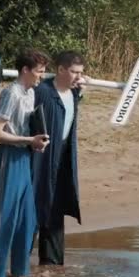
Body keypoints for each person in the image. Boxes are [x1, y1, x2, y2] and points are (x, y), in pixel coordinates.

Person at [0, 49, 50, 277]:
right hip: (8, 159)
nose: (41, 77)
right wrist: (27, 140)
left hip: (24, 158)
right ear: (25, 70)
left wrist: (36, 142)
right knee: (6, 219)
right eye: (39, 72)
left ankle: (20, 273)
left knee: (27, 220)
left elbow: (24, 128)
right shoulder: (10, 93)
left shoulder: (31, 93)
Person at [32, 51, 86, 265]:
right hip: (41, 157)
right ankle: (20, 265)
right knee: (37, 205)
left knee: (56, 207)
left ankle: (52, 263)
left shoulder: (73, 94)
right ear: (61, 69)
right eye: (74, 72)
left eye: (80, 73)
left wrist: (80, 93)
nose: (78, 77)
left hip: (64, 157)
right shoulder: (43, 91)